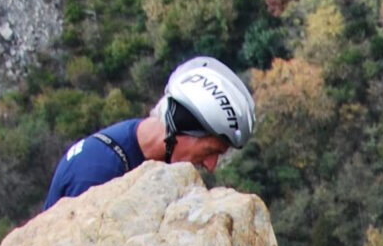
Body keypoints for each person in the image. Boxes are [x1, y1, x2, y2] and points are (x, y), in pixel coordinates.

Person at [43, 56, 257, 211]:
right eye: (210, 150)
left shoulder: (141, 154)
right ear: (178, 128)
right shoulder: (96, 174)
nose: (211, 166)